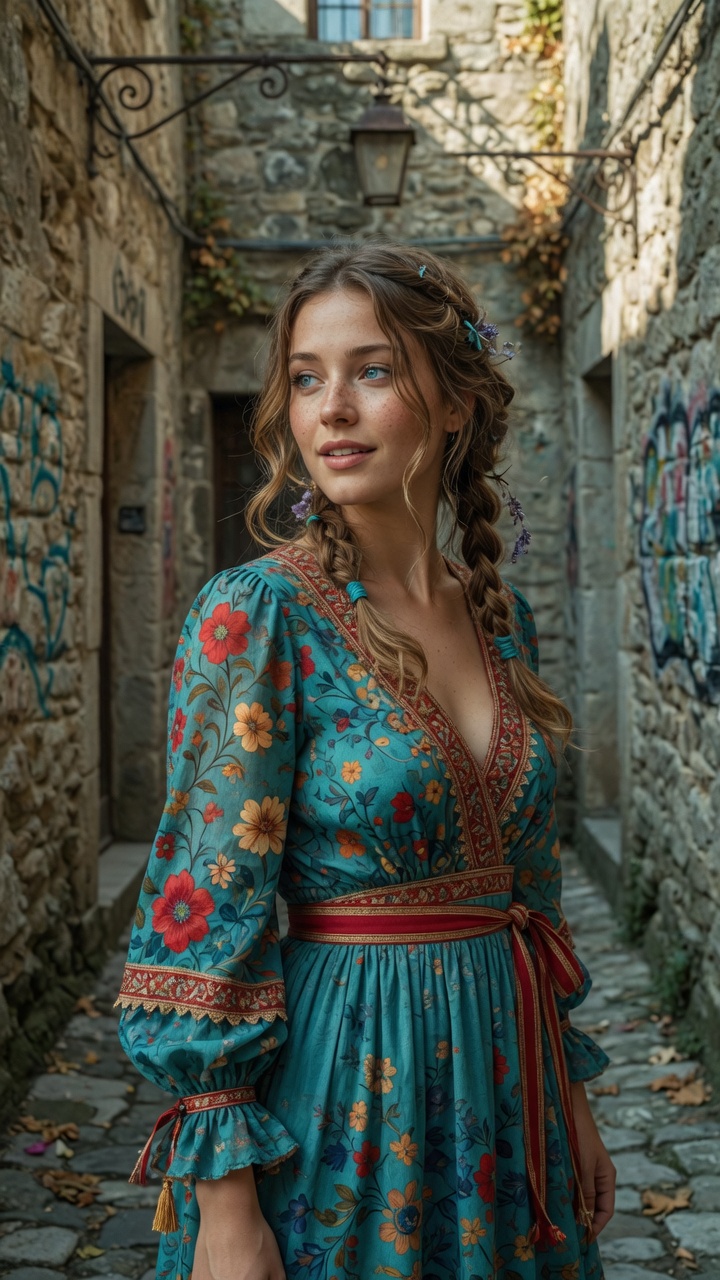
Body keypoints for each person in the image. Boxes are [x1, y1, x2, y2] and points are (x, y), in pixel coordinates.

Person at [117, 241, 615, 1280]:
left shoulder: (496, 615)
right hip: (347, 1095)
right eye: (306, 377)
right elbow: (203, 902)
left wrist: (568, 1089)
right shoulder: (259, 615)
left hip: (506, 1087)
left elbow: (529, 887)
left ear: (453, 404)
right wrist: (226, 1202)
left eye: (372, 370)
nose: (330, 407)